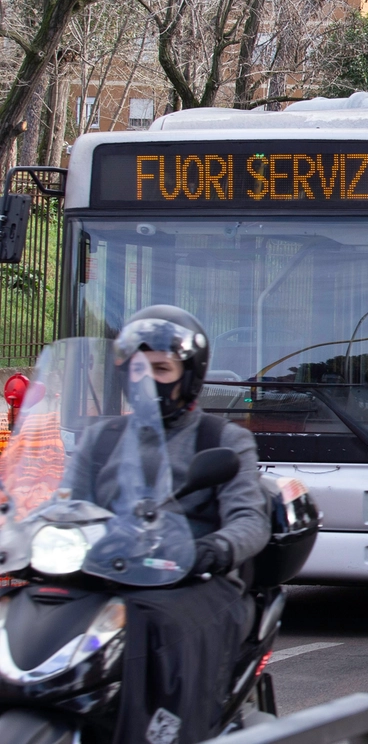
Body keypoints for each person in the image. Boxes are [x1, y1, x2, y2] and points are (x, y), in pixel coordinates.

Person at [72, 306, 270, 744]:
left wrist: (213, 550)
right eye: (137, 368)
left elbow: (249, 520)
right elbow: (67, 506)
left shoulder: (222, 439)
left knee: (155, 625)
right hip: (111, 572)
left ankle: (166, 733)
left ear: (190, 375)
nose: (146, 379)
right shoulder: (99, 437)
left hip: (193, 579)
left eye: (160, 368)